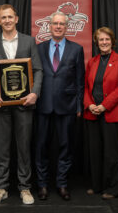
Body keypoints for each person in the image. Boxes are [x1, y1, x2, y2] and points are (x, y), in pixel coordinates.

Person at [0, 4, 43, 205]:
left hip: (24, 104)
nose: (7, 20)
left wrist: (35, 93)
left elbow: (37, 70)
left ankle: (25, 188)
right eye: (4, 17)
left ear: (16, 19)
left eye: (10, 17)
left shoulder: (29, 41)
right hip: (0, 105)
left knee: (24, 148)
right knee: (2, 148)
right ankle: (1, 187)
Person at [35, 11, 85, 201]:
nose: (58, 26)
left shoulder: (76, 49)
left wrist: (79, 106)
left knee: (65, 147)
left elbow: (80, 81)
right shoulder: (39, 48)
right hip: (43, 105)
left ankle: (62, 184)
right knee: (41, 147)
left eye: (61, 24)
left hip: (68, 106)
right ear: (49, 26)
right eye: (55, 23)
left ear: (66, 27)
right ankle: (42, 185)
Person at [83, 27, 118, 199]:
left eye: (107, 39)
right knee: (95, 153)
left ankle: (113, 188)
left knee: (112, 153)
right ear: (96, 42)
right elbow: (86, 87)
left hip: (112, 113)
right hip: (92, 114)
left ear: (112, 41)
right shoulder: (92, 62)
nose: (104, 42)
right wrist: (89, 105)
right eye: (101, 40)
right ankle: (97, 186)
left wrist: (103, 105)